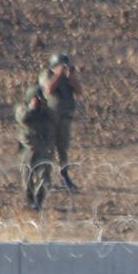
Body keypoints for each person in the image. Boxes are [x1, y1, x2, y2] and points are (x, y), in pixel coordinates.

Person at [37, 53, 79, 191]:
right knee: (48, 148)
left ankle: (64, 176)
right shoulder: (47, 75)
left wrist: (71, 76)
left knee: (63, 149)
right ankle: (45, 178)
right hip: (50, 117)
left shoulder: (67, 78)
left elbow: (79, 91)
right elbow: (48, 89)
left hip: (65, 117)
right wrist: (58, 74)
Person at [14, 84, 55, 209]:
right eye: (36, 98)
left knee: (43, 175)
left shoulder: (46, 111)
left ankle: (39, 201)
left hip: (44, 147)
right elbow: (22, 118)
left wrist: (44, 108)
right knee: (27, 176)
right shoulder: (22, 108)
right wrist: (32, 107)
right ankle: (29, 199)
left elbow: (54, 120)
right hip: (29, 148)